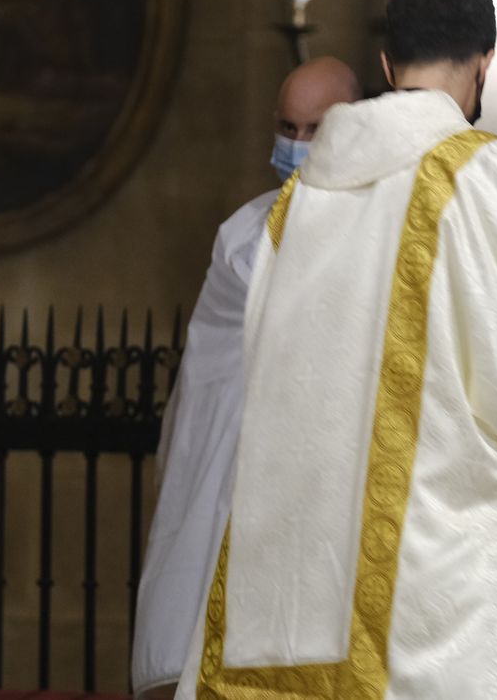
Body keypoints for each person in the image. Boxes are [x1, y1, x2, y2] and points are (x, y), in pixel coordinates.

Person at [174, 0, 497, 700]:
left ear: (384, 64)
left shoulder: (301, 198)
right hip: (434, 559)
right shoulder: (475, 171)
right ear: (485, 63)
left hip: (300, 568)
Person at [132, 56, 362, 700]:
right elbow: (212, 374)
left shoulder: (385, 226)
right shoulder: (242, 234)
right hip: (235, 469)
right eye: (286, 126)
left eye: (315, 128)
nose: (295, 145)